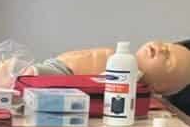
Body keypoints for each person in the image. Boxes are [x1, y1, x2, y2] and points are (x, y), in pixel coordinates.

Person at [27, 40, 190, 108]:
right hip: (59, 66)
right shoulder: (124, 58)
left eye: (168, 60)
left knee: (26, 77)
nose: (163, 49)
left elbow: (101, 85)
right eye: (167, 45)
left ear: (158, 86)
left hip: (64, 78)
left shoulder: (128, 80)